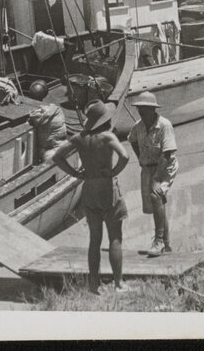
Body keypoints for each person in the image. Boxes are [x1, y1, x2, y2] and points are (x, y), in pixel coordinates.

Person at [51, 101, 130, 294]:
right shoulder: (107, 137)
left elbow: (56, 157)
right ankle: (118, 283)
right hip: (107, 189)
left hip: (90, 188)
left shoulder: (79, 138)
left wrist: (75, 173)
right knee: (115, 237)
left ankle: (94, 285)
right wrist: (113, 171)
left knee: (95, 239)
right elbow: (125, 156)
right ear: (106, 119)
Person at [127, 91, 177, 257]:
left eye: (144, 108)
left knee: (156, 196)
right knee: (157, 205)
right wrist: (141, 158)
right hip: (148, 166)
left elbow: (167, 153)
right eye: (139, 108)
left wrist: (156, 178)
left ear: (152, 109)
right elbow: (132, 140)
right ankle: (167, 245)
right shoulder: (138, 126)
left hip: (165, 166)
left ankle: (159, 241)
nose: (141, 111)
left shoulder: (164, 125)